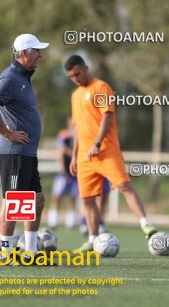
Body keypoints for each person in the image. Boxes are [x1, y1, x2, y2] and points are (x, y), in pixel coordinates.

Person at [64, 55, 158, 251]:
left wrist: (97, 144)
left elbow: (107, 117)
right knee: (88, 199)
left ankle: (146, 225)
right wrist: (74, 155)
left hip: (105, 150)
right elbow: (78, 128)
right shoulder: (75, 96)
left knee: (124, 185)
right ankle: (92, 239)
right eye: (71, 76)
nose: (76, 79)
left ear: (86, 68)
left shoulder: (101, 88)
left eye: (78, 74)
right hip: (84, 157)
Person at [0, 33, 49, 263]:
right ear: (24, 53)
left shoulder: (24, 77)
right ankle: (7, 255)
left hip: (27, 153)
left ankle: (30, 252)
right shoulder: (11, 76)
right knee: (13, 202)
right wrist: (8, 133)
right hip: (14, 153)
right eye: (36, 50)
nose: (40, 54)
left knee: (36, 200)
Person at [47, 117, 78, 230]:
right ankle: (53, 222)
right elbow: (61, 150)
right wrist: (62, 168)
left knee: (73, 198)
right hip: (64, 172)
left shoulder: (81, 136)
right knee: (57, 197)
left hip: (76, 173)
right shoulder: (64, 135)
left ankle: (70, 223)